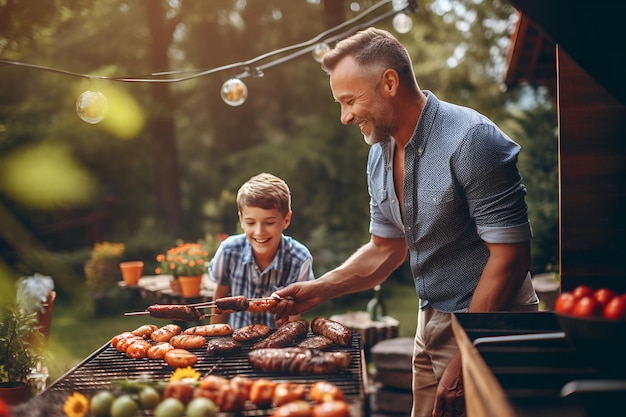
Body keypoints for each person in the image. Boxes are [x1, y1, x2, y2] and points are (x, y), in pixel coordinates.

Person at [271, 28, 538, 417]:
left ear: (390, 83)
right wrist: (318, 289)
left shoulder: (472, 140)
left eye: (349, 100)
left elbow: (510, 257)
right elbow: (386, 248)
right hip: (429, 321)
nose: (344, 116)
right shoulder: (379, 153)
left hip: (492, 329)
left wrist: (467, 355)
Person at [208, 172, 314, 330]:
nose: (259, 232)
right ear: (241, 220)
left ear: (286, 220)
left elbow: (293, 320)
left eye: (269, 222)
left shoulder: (300, 260)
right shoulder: (228, 251)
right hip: (235, 342)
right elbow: (220, 301)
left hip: (276, 347)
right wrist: (214, 339)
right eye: (250, 223)